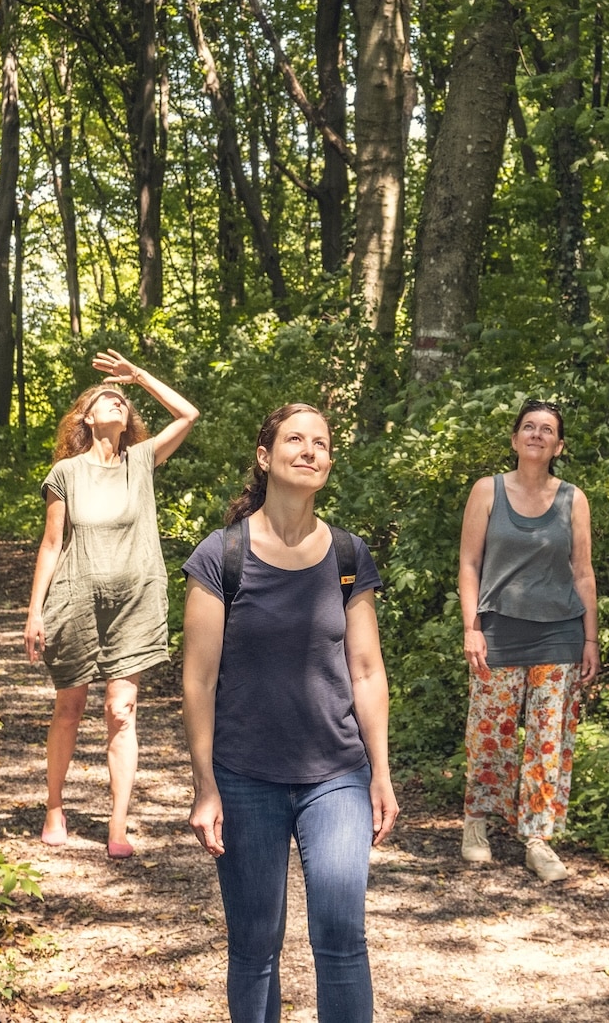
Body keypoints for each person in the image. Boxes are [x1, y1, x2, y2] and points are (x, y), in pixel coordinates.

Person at [182, 403, 399, 1023]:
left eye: (321, 443)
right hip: (245, 775)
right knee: (254, 947)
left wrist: (379, 774)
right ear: (265, 455)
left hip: (336, 775)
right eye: (295, 440)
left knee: (341, 940)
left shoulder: (348, 554)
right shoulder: (222, 554)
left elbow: (366, 670)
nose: (309, 451)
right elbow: (196, 680)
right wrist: (205, 785)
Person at [23, 350, 199, 857]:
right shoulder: (66, 473)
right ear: (87, 417)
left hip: (134, 601)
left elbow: (187, 415)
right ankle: (55, 806)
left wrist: (137, 377)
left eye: (124, 402)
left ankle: (117, 825)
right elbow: (51, 544)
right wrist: (35, 612)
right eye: (108, 399)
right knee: (70, 706)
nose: (118, 404)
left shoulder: (140, 462)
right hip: (74, 600)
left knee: (121, 710)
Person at [456, 398, 599, 882]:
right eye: (528, 427)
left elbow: (583, 571)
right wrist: (471, 627)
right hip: (497, 630)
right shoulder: (488, 491)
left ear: (559, 445)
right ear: (515, 438)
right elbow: (470, 563)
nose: (537, 434)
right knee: (489, 732)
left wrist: (591, 639)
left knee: (547, 741)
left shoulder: (573, 499)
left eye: (547, 430)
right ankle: (478, 822)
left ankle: (537, 838)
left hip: (560, 634)